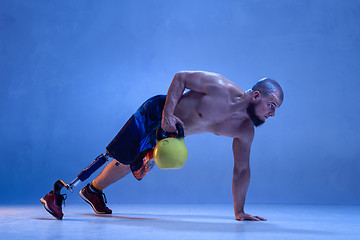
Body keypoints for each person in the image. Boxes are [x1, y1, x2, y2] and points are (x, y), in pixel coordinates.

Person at [40, 71, 284, 221]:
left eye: (276, 109)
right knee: (115, 154)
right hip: (157, 111)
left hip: (171, 135)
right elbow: (181, 78)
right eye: (271, 105)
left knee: (131, 164)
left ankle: (92, 191)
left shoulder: (244, 130)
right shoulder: (220, 87)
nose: (272, 113)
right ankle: (59, 193)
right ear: (255, 96)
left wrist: (239, 211)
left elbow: (241, 170)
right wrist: (167, 114)